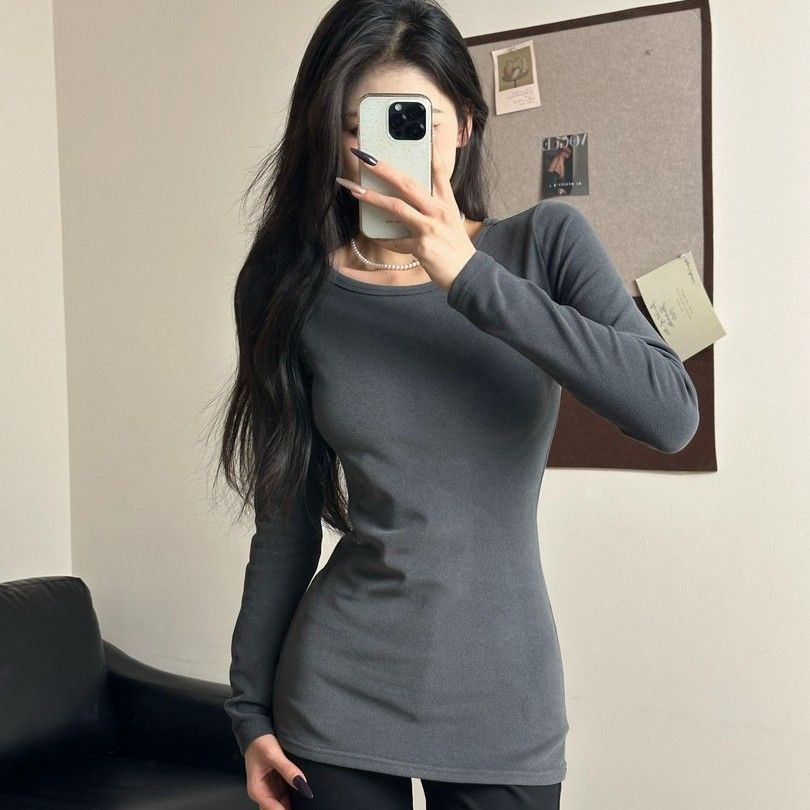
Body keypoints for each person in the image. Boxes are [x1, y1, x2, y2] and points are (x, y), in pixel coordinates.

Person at [216, 1, 700, 808]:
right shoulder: (290, 291)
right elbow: (284, 526)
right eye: (356, 127)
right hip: (334, 697)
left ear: (466, 126)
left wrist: (469, 277)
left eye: (413, 123)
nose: (383, 153)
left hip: (503, 706)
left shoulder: (544, 245)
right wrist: (248, 713)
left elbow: (669, 413)